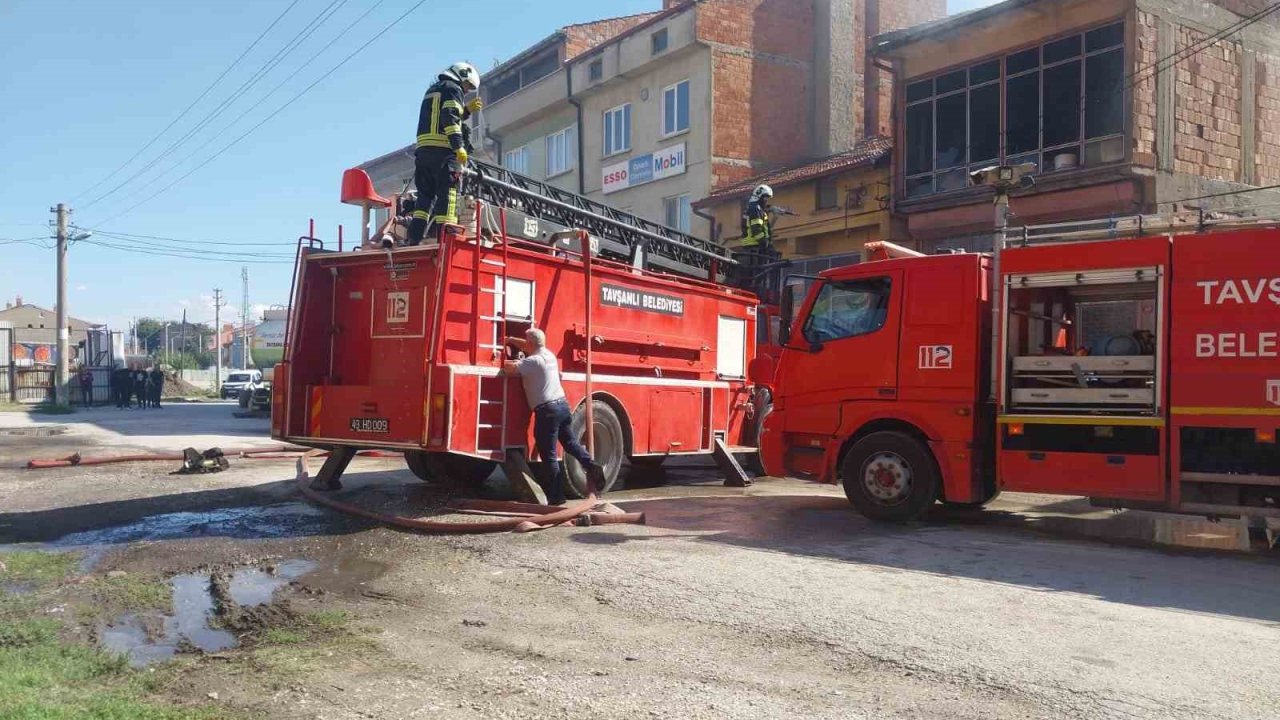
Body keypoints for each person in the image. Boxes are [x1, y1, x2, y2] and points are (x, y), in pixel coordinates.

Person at [502, 328, 607, 505]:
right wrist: (510, 339)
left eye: (526, 342)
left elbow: (509, 369)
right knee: (570, 443)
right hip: (562, 406)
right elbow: (530, 345)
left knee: (548, 455)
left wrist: (501, 357)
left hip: (547, 411)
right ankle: (591, 466)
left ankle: (557, 497)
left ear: (530, 344)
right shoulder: (548, 355)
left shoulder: (532, 362)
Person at [406, 62, 483, 246]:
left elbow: (440, 116)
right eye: (468, 86)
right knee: (447, 196)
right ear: (461, 77)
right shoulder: (453, 89)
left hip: (424, 152)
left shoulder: (433, 90)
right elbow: (449, 118)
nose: (466, 90)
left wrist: (466, 111)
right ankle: (445, 242)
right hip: (443, 152)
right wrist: (458, 147)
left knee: (424, 199)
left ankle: (414, 239)